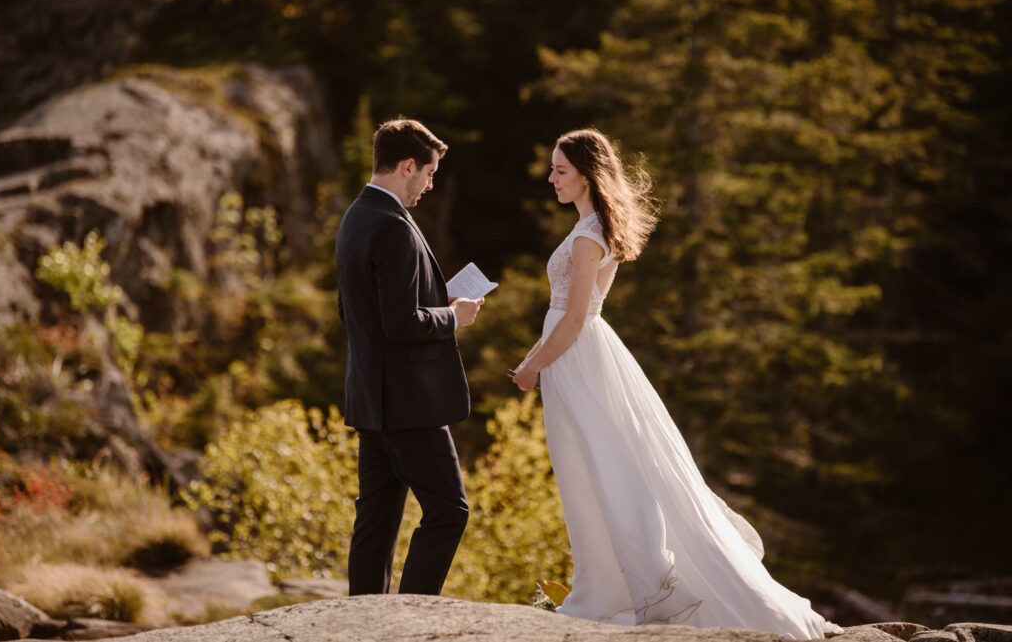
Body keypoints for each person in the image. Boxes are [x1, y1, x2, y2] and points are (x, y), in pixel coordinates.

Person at [511, 129, 842, 638]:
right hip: (586, 357)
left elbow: (575, 317)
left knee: (597, 472)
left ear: (586, 174)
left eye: (560, 170)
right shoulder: (598, 227)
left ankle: (619, 590)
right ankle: (609, 587)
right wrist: (540, 358)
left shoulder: (585, 236)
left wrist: (533, 365)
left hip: (578, 359)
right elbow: (587, 311)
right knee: (600, 469)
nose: (550, 178)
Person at [335, 117, 483, 597]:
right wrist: (453, 317)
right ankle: (412, 615)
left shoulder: (356, 216)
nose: (429, 184)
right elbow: (400, 324)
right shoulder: (392, 225)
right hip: (407, 402)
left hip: (371, 397)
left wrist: (439, 303)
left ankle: (364, 619)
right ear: (407, 166)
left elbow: (356, 312)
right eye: (429, 173)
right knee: (449, 512)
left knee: (376, 518)